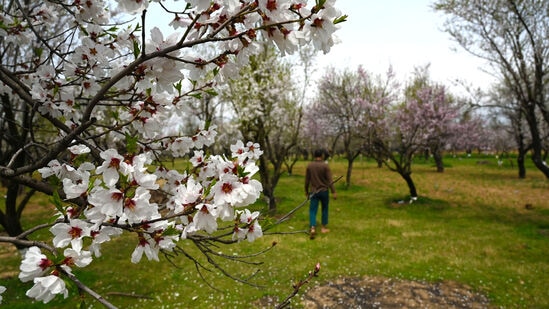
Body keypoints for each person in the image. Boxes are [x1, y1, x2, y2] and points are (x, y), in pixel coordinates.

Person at [305, 149, 337, 239]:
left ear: (314, 155)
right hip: (324, 191)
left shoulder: (310, 166)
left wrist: (306, 191)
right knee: (325, 209)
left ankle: (312, 228)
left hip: (313, 191)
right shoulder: (325, 166)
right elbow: (330, 180)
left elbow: (307, 180)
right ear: (322, 156)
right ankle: (323, 228)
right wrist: (333, 191)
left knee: (312, 210)